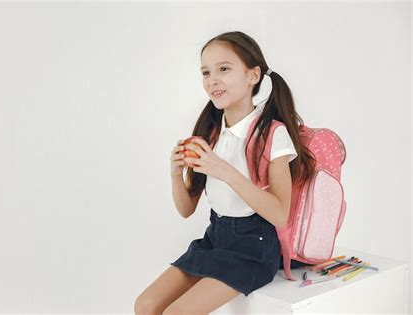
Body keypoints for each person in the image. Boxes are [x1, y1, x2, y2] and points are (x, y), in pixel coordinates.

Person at [134, 31, 316, 315]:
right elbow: (185, 209)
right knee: (145, 306)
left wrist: (225, 171)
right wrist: (174, 174)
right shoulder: (210, 132)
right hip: (215, 239)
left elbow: (280, 213)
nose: (212, 80)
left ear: (253, 75)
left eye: (224, 69)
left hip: (253, 249)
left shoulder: (272, 133)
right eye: (206, 72)